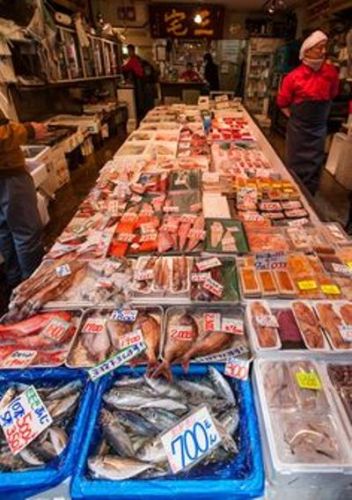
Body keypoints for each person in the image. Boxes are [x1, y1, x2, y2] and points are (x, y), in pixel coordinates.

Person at [277, 30, 339, 195]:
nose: (324, 51)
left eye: (325, 47)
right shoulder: (293, 77)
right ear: (307, 51)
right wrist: (296, 119)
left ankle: (310, 196)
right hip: (298, 129)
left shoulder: (331, 73)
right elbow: (282, 103)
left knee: (315, 163)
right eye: (319, 48)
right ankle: (293, 194)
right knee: (295, 163)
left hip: (318, 128)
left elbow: (332, 95)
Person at [0, 103, 46, 293]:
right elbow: (2, 134)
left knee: (5, 230)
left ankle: (16, 281)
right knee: (27, 232)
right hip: (8, 174)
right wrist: (29, 130)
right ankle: (33, 288)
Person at [122, 44, 145, 121]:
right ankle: (140, 116)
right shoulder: (138, 58)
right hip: (140, 81)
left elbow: (125, 68)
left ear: (132, 51)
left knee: (138, 101)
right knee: (140, 101)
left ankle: (139, 118)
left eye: (129, 51)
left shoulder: (133, 60)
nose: (128, 53)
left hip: (138, 81)